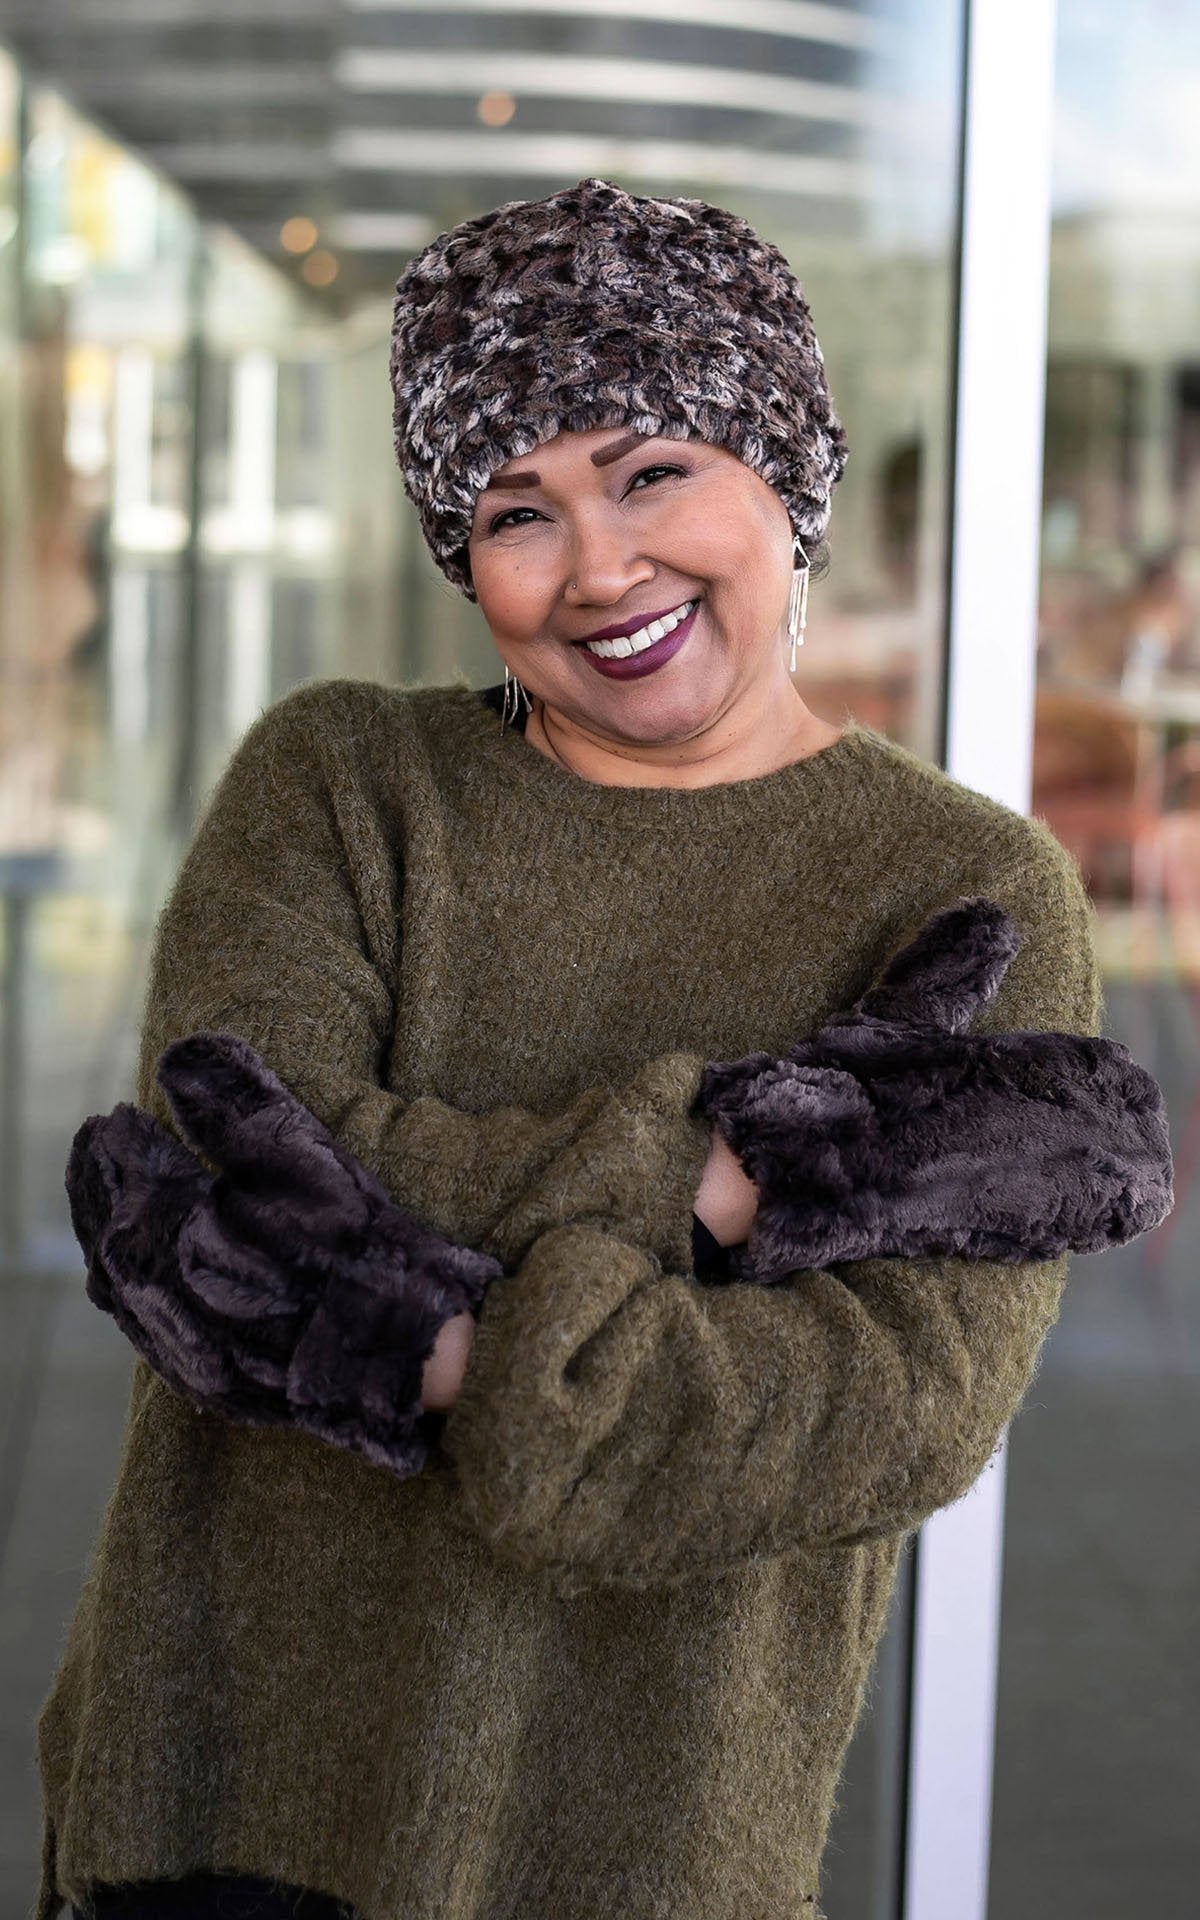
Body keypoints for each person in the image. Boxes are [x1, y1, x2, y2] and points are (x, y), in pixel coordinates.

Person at [36, 178, 1115, 1920]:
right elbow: (232, 1203)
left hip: (647, 1848)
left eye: (652, 470)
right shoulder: (339, 786)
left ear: (785, 464)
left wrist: (453, 1363)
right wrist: (706, 1178)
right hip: (223, 1804)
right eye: (516, 509)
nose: (600, 567)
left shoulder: (965, 893)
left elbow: (881, 1411)